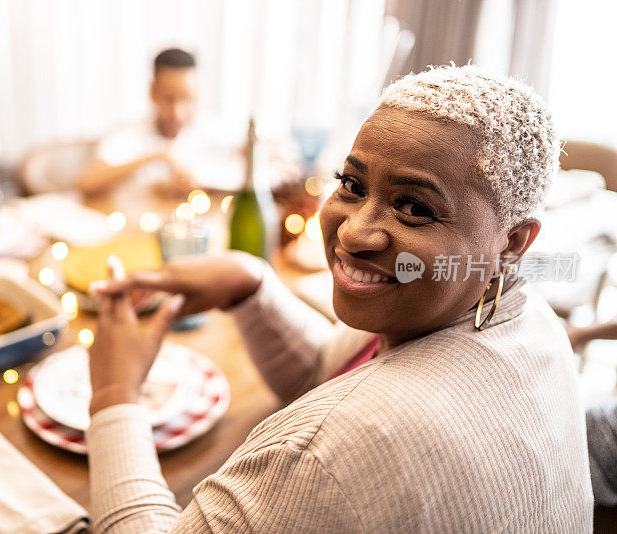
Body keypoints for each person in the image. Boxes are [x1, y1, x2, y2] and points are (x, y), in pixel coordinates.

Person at [85, 65, 593, 532]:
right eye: (351, 184)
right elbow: (329, 376)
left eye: (414, 207)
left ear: (512, 241)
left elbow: (332, 423)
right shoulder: (523, 317)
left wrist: (114, 395)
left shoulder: (327, 451)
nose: (354, 233)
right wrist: (251, 284)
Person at [77, 48, 242, 201]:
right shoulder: (129, 134)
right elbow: (86, 183)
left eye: (186, 98)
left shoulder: (211, 130)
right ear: (153, 91)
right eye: (168, 98)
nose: (177, 112)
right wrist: (159, 155)